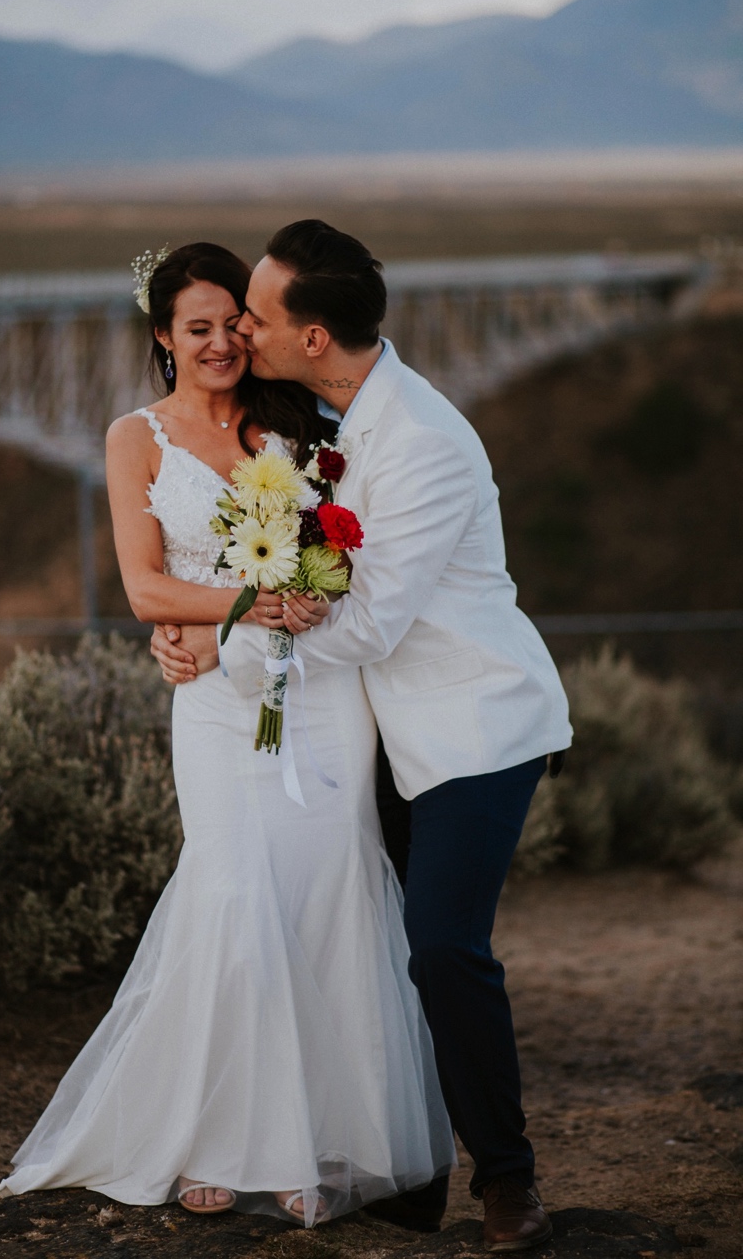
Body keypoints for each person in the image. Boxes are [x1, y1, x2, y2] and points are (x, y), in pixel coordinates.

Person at [0, 242, 455, 1229]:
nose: (220, 343)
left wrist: (262, 606)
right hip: (211, 703)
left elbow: (345, 556)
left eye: (232, 325)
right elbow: (145, 588)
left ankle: (320, 1142)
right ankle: (214, 1139)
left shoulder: (301, 424)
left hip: (325, 699)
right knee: (234, 890)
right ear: (162, 336)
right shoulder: (136, 438)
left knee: (330, 888)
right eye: (196, 327)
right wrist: (242, 610)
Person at [151, 220, 573, 1253]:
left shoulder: (423, 442)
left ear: (310, 335)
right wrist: (204, 614)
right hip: (379, 729)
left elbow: (371, 622)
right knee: (375, 942)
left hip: (476, 727)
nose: (239, 326)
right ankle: (408, 1173)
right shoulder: (319, 416)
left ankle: (508, 1186)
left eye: (255, 311)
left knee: (440, 948)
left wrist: (225, 639)